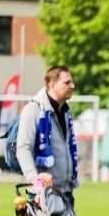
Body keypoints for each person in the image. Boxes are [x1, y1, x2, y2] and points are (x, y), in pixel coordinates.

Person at [16, 66, 79, 207]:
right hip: (42, 194)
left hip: (66, 192)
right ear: (52, 85)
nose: (72, 86)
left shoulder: (66, 112)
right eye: (67, 82)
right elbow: (23, 148)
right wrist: (34, 179)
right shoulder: (33, 110)